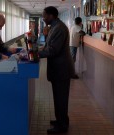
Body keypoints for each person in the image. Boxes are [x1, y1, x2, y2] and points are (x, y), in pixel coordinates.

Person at [38, 6, 75, 134]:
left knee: (61, 98)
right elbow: (50, 45)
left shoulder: (59, 28)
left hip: (61, 70)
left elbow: (53, 50)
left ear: (51, 15)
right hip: (58, 69)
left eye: (44, 16)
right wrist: (41, 49)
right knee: (59, 97)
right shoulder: (55, 26)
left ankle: (62, 125)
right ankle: (61, 120)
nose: (43, 18)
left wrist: (36, 54)